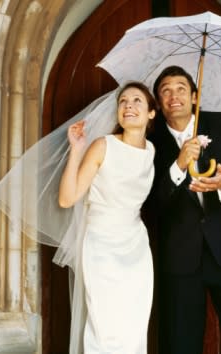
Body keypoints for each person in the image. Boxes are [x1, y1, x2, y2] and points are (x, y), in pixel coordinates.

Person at [146, 65, 221, 354]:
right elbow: (151, 204)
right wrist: (178, 166)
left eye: (181, 89)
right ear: (158, 103)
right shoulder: (150, 141)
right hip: (181, 258)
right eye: (166, 91)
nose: (174, 96)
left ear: (195, 96)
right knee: (183, 343)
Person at [58, 81, 156, 353]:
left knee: (134, 328)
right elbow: (67, 199)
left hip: (136, 248)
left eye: (137, 100)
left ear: (151, 113)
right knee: (106, 329)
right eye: (123, 101)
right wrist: (76, 150)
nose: (129, 106)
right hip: (102, 246)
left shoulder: (151, 151)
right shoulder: (103, 146)